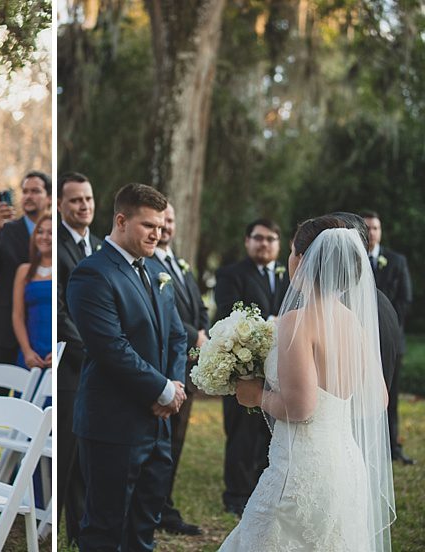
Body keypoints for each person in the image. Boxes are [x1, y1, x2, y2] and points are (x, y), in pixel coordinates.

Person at [221, 215, 396, 551]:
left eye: (290, 251)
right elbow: (378, 399)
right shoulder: (354, 323)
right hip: (345, 464)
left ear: (302, 259)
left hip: (300, 474)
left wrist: (256, 394)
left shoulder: (296, 323)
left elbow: (300, 408)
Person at [66, 183, 187, 552]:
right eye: (149, 225)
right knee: (105, 529)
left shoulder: (155, 271)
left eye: (161, 225)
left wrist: (175, 386)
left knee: (143, 527)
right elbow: (110, 348)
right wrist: (161, 390)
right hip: (113, 424)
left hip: (158, 423)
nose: (159, 232)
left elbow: (178, 337)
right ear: (121, 220)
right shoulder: (93, 275)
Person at [0, 169, 51, 475]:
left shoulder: (52, 231)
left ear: (47, 197)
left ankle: (25, 475)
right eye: (25, 191)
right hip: (2, 330)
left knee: (31, 408)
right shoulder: (8, 228)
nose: (29, 196)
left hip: (39, 334)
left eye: (36, 190)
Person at [213, 218, 289, 516]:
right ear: (247, 241)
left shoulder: (288, 278)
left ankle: (262, 490)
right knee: (241, 433)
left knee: (268, 433)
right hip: (242, 368)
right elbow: (227, 312)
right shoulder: (230, 274)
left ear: (278, 244)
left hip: (280, 369)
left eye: (271, 239)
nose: (264, 244)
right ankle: (235, 494)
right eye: (258, 238)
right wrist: (272, 325)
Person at [152, 203, 207, 536]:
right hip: (165, 364)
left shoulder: (181, 264)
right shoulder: (147, 263)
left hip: (189, 364)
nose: (167, 226)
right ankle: (155, 506)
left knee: (178, 440)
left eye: (171, 220)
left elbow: (198, 306)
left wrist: (203, 334)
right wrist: (194, 335)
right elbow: (162, 311)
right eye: (162, 221)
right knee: (161, 439)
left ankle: (165, 505)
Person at [55, 171, 100, 541]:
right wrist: (93, 351)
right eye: (75, 200)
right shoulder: (57, 248)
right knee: (66, 450)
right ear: (60, 205)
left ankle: (78, 531)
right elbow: (60, 313)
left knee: (87, 451)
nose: (83, 205)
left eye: (87, 198)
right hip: (71, 365)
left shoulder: (99, 246)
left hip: (99, 367)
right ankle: (53, 528)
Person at [361, 210, 415, 465]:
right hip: (357, 341)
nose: (371, 233)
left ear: (380, 231)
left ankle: (392, 447)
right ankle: (363, 445)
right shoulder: (353, 260)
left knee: (389, 398)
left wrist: (385, 329)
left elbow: (404, 299)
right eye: (367, 228)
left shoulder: (396, 261)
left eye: (375, 228)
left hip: (390, 343)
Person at [12, 212, 53, 370]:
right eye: (40, 231)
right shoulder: (24, 271)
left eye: (50, 233)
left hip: (56, 354)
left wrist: (58, 352)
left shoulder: (64, 270)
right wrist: (27, 351)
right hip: (30, 352)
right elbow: (18, 315)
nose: (44, 237)